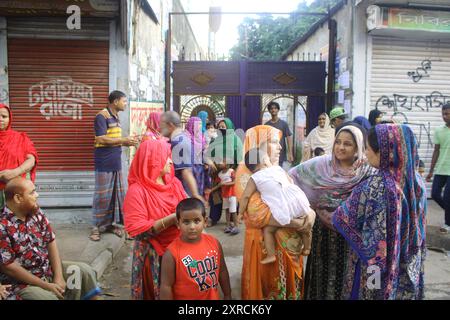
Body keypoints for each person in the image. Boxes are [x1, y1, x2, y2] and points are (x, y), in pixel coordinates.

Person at [330, 124, 427, 299]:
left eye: (367, 149)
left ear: (383, 152)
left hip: (374, 269)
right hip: (407, 266)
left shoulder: (376, 186)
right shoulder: (417, 184)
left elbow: (341, 218)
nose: (365, 153)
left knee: (371, 293)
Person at [289, 124, 373, 300]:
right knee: (322, 273)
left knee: (346, 275)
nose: (341, 147)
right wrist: (307, 207)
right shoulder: (322, 165)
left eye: (348, 144)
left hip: (351, 236)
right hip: (323, 233)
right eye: (338, 142)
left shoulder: (366, 170)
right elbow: (292, 177)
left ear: (358, 146)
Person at [235, 125, 315, 300]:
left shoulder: (277, 170)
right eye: (273, 142)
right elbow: (256, 214)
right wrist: (298, 223)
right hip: (266, 245)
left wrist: (310, 214)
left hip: (291, 243)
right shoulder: (246, 174)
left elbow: (296, 198)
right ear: (258, 145)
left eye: (279, 143)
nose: (280, 147)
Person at [0, 178, 101, 300]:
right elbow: (9, 267)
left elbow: (51, 241)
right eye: (32, 192)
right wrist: (46, 285)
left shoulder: (36, 213)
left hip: (46, 270)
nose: (37, 195)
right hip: (22, 283)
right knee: (46, 297)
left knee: (84, 271)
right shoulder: (2, 225)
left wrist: (58, 276)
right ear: (18, 198)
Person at [123, 139, 186, 300]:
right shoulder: (137, 191)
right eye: (166, 156)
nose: (171, 161)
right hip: (153, 258)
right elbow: (138, 230)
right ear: (153, 160)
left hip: (179, 252)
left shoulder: (174, 184)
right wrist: (173, 219)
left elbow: (187, 207)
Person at [238, 148, 315, 265]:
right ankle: (307, 248)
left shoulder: (254, 178)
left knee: (268, 230)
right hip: (296, 199)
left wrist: (240, 213)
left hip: (281, 207)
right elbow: (290, 181)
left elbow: (245, 197)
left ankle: (271, 255)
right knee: (305, 223)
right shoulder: (277, 168)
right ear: (265, 161)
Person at [160, 198, 232, 300]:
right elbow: (166, 286)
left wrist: (227, 294)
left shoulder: (214, 243)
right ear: (178, 223)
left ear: (205, 221)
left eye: (197, 221)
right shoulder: (171, 253)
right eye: (186, 222)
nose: (192, 227)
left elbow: (222, 271)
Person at [90, 90, 138, 241]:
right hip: (104, 162)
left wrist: (126, 141)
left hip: (115, 162)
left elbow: (112, 139)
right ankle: (96, 227)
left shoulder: (115, 116)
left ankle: (110, 224)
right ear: (115, 101)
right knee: (102, 196)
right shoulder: (101, 116)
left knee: (115, 196)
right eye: (124, 101)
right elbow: (101, 139)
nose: (125, 104)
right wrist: (123, 141)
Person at [160, 111, 206, 204]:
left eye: (162, 124)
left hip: (182, 194)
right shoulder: (179, 139)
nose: (160, 127)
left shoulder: (180, 142)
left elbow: (186, 171)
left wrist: (195, 194)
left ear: (170, 125)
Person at [0, 104, 38, 211]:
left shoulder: (20, 138)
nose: (0, 119)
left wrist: (15, 172)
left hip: (16, 190)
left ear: (10, 118)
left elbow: (31, 159)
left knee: (16, 220)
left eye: (4, 116)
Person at [206, 118, 243, 225]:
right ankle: (214, 218)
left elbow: (240, 159)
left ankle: (233, 219)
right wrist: (211, 163)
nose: (221, 129)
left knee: (232, 196)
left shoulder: (236, 140)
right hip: (217, 172)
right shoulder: (215, 140)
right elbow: (208, 155)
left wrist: (236, 172)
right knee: (216, 196)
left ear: (229, 127)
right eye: (220, 127)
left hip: (231, 171)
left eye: (224, 127)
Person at [427, 103, 450, 233]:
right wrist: (431, 171)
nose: (444, 116)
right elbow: (436, 151)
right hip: (441, 168)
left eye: (447, 114)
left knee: (447, 197)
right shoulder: (439, 130)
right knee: (435, 194)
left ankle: (448, 223)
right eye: (443, 114)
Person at [210, 161, 239, 235]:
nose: (219, 163)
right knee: (227, 210)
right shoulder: (220, 174)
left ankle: (236, 226)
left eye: (222, 162)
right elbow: (219, 184)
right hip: (224, 195)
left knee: (233, 211)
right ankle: (228, 225)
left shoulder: (231, 171)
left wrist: (224, 184)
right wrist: (213, 189)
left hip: (232, 194)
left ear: (227, 163)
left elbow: (235, 182)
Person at [264, 102, 294, 168]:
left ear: (278, 110)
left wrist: (290, 153)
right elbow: (264, 140)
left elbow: (289, 138)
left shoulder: (283, 124)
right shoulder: (266, 125)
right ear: (269, 111)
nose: (273, 110)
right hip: (270, 153)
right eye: (271, 108)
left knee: (278, 171)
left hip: (280, 153)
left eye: (275, 108)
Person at [185, 117, 208, 198]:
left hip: (200, 168)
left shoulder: (201, 136)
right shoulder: (187, 137)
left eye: (201, 124)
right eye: (197, 124)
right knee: (190, 189)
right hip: (189, 168)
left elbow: (204, 150)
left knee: (199, 188)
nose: (199, 126)